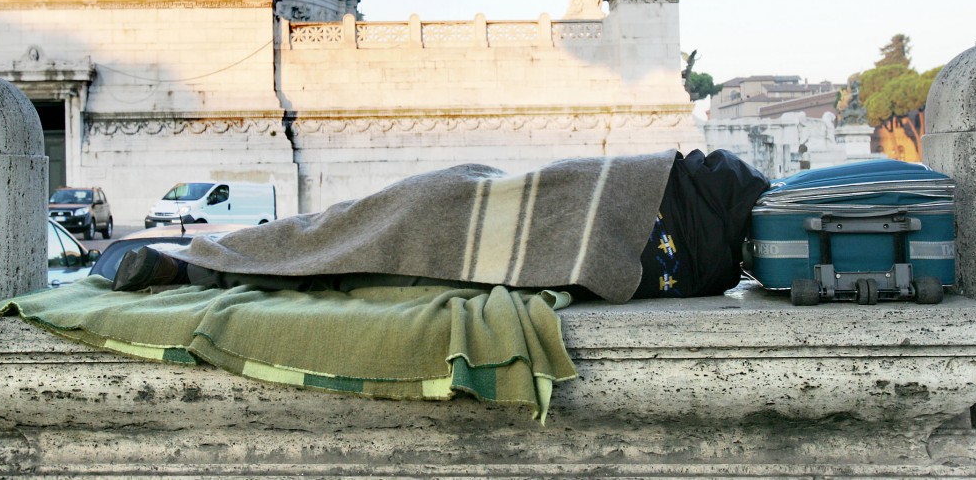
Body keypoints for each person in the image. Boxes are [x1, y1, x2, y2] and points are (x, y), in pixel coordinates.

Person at [113, 149, 770, 302]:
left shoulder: (727, 196)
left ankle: (208, 262)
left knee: (372, 238)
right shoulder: (732, 202)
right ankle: (212, 260)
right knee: (373, 238)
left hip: (600, 213)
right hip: (582, 206)